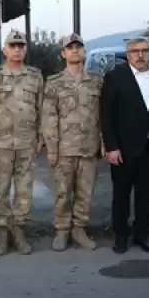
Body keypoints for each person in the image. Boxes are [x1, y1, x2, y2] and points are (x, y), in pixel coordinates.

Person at [100, 37, 149, 254]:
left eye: (144, 50)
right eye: (135, 51)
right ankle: (121, 236)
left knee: (146, 194)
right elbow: (106, 115)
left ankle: (142, 235)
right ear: (127, 54)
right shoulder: (115, 77)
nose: (140, 55)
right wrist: (111, 146)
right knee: (121, 195)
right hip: (123, 148)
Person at [40, 34, 103, 252]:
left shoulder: (96, 81)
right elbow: (49, 118)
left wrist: (103, 145)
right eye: (70, 48)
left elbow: (102, 116)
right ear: (63, 53)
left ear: (83, 51)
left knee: (85, 193)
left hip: (89, 147)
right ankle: (62, 231)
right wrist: (52, 149)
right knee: (62, 193)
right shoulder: (54, 83)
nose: (75, 50)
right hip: (64, 149)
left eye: (78, 47)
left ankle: (79, 230)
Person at [0, 29, 43, 255]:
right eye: (12, 46)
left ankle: (19, 232)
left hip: (27, 143)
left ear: (26, 49)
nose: (17, 50)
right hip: (1, 144)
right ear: (4, 50)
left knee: (24, 191)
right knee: (0, 191)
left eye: (21, 46)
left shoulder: (35, 76)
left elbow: (41, 110)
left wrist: (41, 138)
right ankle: (1, 233)